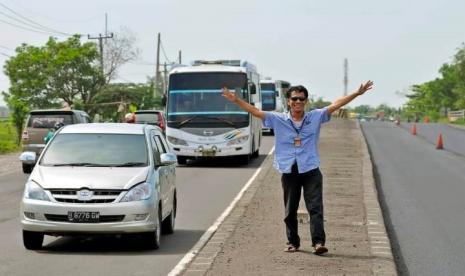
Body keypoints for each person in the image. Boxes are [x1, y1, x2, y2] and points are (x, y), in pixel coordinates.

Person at [222, 80, 373, 255]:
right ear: (288, 101)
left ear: (306, 101)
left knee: (315, 208)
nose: (298, 102)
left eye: (302, 99)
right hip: (289, 170)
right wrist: (235, 100)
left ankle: (318, 243)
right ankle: (293, 242)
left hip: (310, 169)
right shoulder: (277, 119)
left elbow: (336, 104)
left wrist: (357, 93)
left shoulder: (315, 117)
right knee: (290, 210)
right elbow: (254, 111)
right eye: (294, 98)